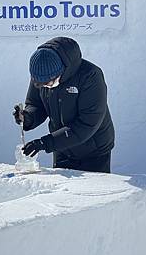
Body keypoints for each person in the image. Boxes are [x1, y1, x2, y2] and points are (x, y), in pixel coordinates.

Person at [13, 37, 114, 173]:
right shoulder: (41, 74)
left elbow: (87, 124)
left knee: (90, 193)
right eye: (39, 83)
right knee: (64, 192)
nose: (45, 87)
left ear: (61, 71)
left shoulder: (90, 76)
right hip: (62, 147)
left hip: (93, 150)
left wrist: (45, 143)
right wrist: (28, 117)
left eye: (48, 83)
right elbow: (36, 104)